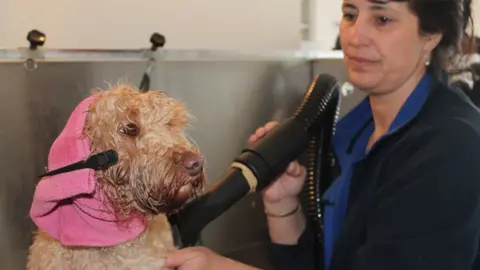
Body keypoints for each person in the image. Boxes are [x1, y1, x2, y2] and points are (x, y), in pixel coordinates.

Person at [165, 0, 480, 269]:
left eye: (382, 19)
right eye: (350, 14)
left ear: (431, 34)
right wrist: (282, 205)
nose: (356, 36)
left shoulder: (452, 148)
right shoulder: (358, 134)